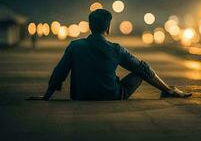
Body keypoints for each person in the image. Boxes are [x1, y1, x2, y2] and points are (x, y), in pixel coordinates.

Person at [38, 9, 191, 101]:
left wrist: (46, 96)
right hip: (111, 94)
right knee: (141, 69)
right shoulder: (115, 49)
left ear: (90, 26)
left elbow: (60, 72)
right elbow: (143, 69)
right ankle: (168, 90)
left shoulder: (75, 46)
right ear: (108, 28)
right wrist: (167, 88)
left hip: (80, 95)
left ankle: (168, 90)